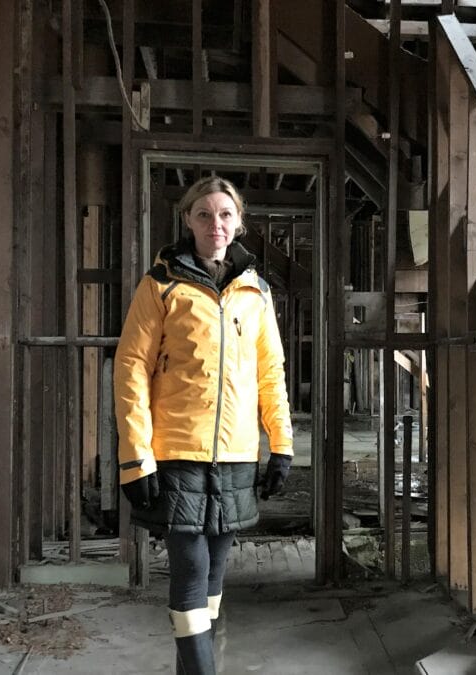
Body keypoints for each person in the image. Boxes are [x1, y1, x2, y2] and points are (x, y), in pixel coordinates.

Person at [114, 176, 293, 674]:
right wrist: (135, 457)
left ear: (238, 222)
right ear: (187, 220)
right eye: (204, 214)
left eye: (225, 214)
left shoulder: (255, 291)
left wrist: (281, 444)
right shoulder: (160, 284)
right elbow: (131, 368)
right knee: (191, 571)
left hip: (236, 455)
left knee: (213, 576)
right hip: (176, 454)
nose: (216, 224)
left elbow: (270, 372)